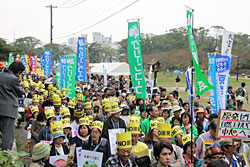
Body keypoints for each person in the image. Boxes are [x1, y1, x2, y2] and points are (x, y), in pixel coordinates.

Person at [0, 61, 25, 150]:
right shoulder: (14, 79)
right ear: (18, 72)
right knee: (7, 136)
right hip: (8, 110)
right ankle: (5, 157)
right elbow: (20, 93)